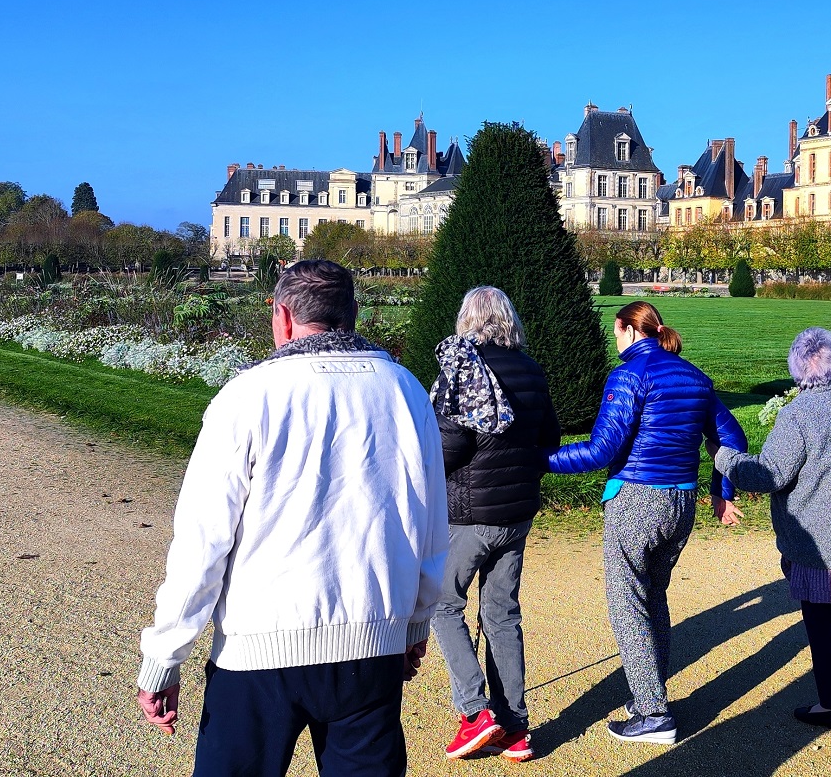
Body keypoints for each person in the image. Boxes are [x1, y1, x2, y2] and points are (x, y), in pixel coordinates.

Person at [135, 259, 449, 777]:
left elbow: (202, 542)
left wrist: (166, 654)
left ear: (282, 316)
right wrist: (416, 620)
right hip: (370, 644)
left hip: (259, 651)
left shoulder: (248, 396)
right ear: (354, 313)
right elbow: (430, 518)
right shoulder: (406, 391)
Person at [547, 300, 747, 746]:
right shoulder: (694, 376)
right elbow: (732, 438)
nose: (614, 340)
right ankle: (648, 702)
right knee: (653, 596)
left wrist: (540, 461)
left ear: (628, 330)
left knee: (627, 604)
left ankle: (653, 713)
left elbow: (601, 450)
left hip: (637, 498)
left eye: (615, 331)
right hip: (681, 501)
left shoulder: (629, 374)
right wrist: (721, 490)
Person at [714, 327, 831, 732]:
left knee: (818, 622)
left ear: (798, 369)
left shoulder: (798, 413)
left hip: (815, 540)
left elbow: (769, 474)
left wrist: (725, 459)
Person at [428, 287, 561, 763]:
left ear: (467, 318)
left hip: (470, 511)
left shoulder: (463, 370)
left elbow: (449, 447)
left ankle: (474, 712)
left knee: (443, 605)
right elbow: (549, 437)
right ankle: (515, 726)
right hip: (517, 510)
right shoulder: (531, 369)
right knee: (502, 614)